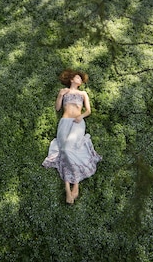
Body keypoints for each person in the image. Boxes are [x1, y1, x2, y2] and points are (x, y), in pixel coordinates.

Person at [42, 69, 102, 204]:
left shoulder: (83, 93)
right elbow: (57, 108)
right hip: (64, 122)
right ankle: (71, 188)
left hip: (78, 122)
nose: (79, 80)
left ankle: (72, 186)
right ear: (71, 79)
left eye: (81, 79)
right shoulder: (64, 91)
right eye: (77, 78)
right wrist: (59, 96)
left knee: (69, 149)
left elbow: (89, 110)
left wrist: (81, 115)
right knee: (64, 150)